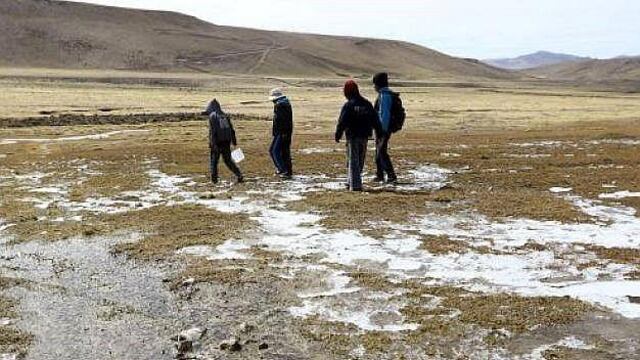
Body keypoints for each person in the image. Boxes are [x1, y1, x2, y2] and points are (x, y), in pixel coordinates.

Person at [335, 80, 382, 192]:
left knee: (353, 160)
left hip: (353, 136)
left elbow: (342, 121)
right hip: (365, 136)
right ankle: (351, 181)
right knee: (359, 160)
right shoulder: (367, 104)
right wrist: (379, 132)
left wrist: (338, 134)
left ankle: (355, 185)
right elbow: (375, 119)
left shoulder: (349, 105)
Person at [203, 99, 244, 184]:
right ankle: (239, 174)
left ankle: (214, 180)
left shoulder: (212, 116)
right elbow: (231, 129)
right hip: (226, 141)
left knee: (214, 162)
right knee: (228, 161)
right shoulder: (225, 115)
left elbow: (212, 131)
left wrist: (212, 143)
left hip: (217, 142)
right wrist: (233, 140)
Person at [373, 72, 398, 184]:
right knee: (379, 151)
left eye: (375, 84)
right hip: (382, 128)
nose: (374, 87)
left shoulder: (385, 96)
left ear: (378, 84)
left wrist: (381, 130)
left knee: (381, 151)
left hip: (383, 129)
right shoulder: (385, 94)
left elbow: (385, 114)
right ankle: (380, 175)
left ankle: (391, 175)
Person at [269, 88, 293, 179]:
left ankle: (283, 169)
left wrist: (280, 133)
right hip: (283, 132)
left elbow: (281, 121)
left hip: (281, 132)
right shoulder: (285, 104)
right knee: (284, 151)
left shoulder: (280, 106)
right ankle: (286, 170)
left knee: (274, 151)